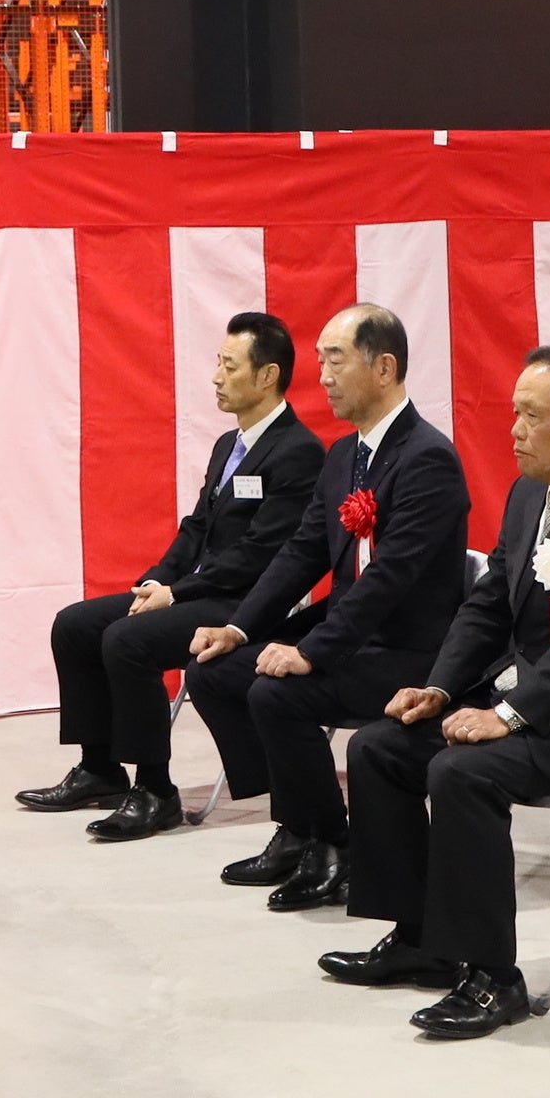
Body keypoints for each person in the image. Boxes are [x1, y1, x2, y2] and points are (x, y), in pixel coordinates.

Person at [324, 346, 550, 1039]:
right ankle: (422, 939)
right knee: (380, 747)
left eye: (531, 416)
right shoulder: (529, 497)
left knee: (463, 772)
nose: (514, 431)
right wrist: (439, 687)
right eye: (514, 414)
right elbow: (490, 604)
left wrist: (511, 714)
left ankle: (494, 976)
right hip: (541, 701)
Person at [184, 304, 470, 914]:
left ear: (384, 367)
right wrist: (238, 627)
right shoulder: (344, 456)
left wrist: (311, 653)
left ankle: (332, 844)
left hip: (407, 650)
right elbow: (302, 551)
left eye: (336, 361)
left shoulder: (427, 458)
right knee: (215, 671)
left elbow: (388, 581)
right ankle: (299, 824)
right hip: (353, 633)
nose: (323, 377)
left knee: (278, 693)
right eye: (321, 362)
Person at [19, 311, 325, 840]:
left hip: (245, 605)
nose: (216, 377)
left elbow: (259, 554)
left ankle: (155, 790)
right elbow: (197, 528)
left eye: (230, 366)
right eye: (218, 363)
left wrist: (177, 594)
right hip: (197, 592)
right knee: (75, 625)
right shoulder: (229, 446)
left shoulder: (298, 451)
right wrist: (156, 582)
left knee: (127, 640)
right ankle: (100, 769)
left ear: (267, 375)